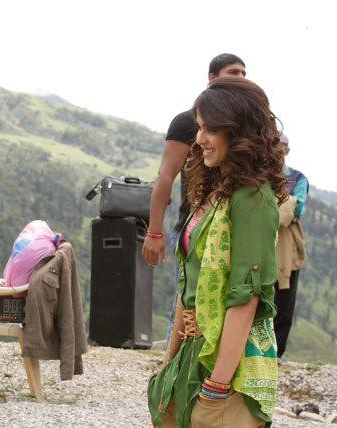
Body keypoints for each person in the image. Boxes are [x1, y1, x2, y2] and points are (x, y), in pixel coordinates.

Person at [147, 77, 288, 428]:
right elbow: (188, 284)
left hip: (226, 366)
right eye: (199, 128)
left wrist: (217, 386)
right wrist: (170, 362)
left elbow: (246, 298)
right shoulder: (215, 192)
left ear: (239, 133)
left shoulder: (252, 199)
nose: (199, 139)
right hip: (193, 351)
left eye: (210, 130)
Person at [141, 53, 246, 343]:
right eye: (233, 72)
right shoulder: (187, 122)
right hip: (194, 227)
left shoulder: (245, 122)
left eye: (243, 73)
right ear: (212, 78)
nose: (240, 78)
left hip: (236, 227)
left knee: (232, 301)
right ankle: (173, 366)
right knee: (188, 303)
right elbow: (165, 176)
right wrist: (154, 231)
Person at [273, 135, 309, 360]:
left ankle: (276, 353)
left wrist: (274, 207)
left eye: (282, 146)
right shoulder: (259, 175)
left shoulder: (298, 178)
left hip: (288, 248)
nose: (277, 149)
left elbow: (298, 207)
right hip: (262, 244)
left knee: (284, 301)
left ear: (287, 150)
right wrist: (286, 202)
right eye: (273, 144)